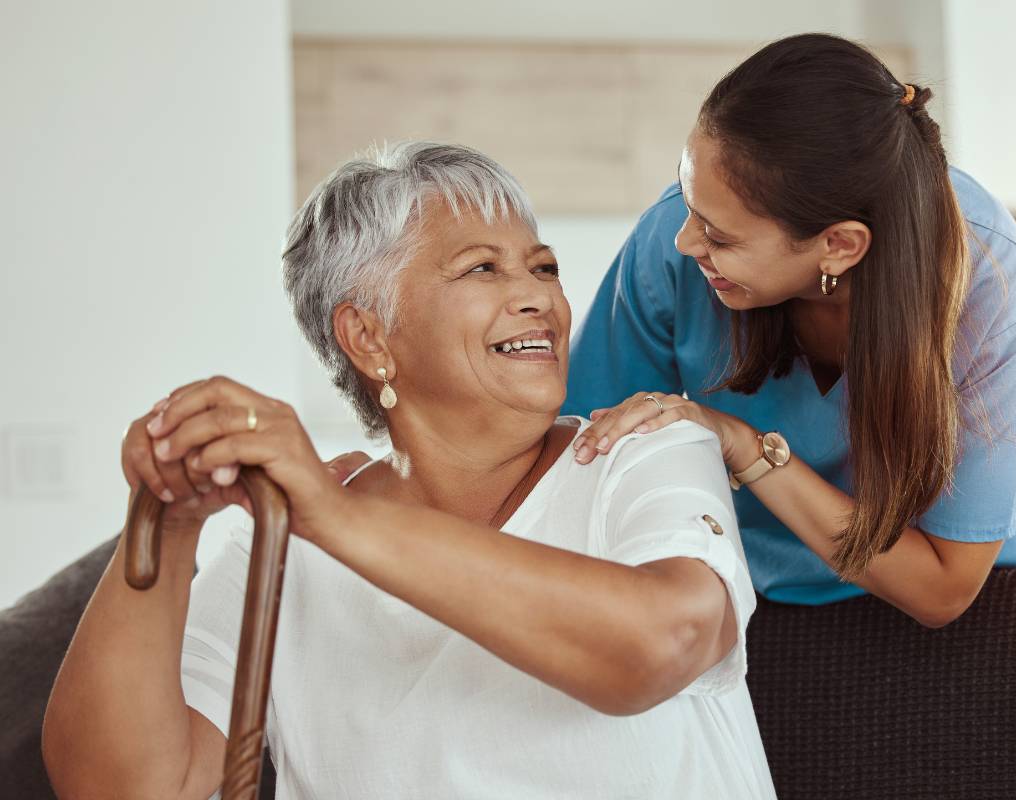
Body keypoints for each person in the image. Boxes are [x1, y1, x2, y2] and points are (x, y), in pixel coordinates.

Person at [42, 143, 776, 799]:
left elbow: (662, 645)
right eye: (483, 268)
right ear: (367, 336)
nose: (540, 298)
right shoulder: (280, 543)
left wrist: (339, 520)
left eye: (542, 266)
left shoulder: (645, 449)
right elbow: (120, 786)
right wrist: (167, 522)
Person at [565, 33, 1016, 627]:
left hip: (999, 585)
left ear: (838, 245)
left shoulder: (986, 274)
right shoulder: (672, 244)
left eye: (719, 237)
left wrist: (742, 445)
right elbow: (587, 467)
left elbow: (941, 589)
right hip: (764, 589)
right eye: (688, 202)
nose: (683, 240)